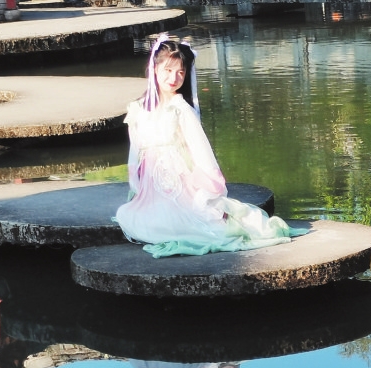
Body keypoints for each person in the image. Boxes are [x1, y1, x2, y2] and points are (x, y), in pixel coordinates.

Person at [116, 33, 307, 258]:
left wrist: (209, 195)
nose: (174, 78)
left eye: (180, 72)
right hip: (151, 188)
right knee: (128, 217)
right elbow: (135, 151)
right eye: (168, 70)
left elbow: (202, 154)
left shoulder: (181, 109)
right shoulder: (138, 109)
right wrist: (136, 186)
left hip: (178, 185)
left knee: (191, 226)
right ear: (154, 69)